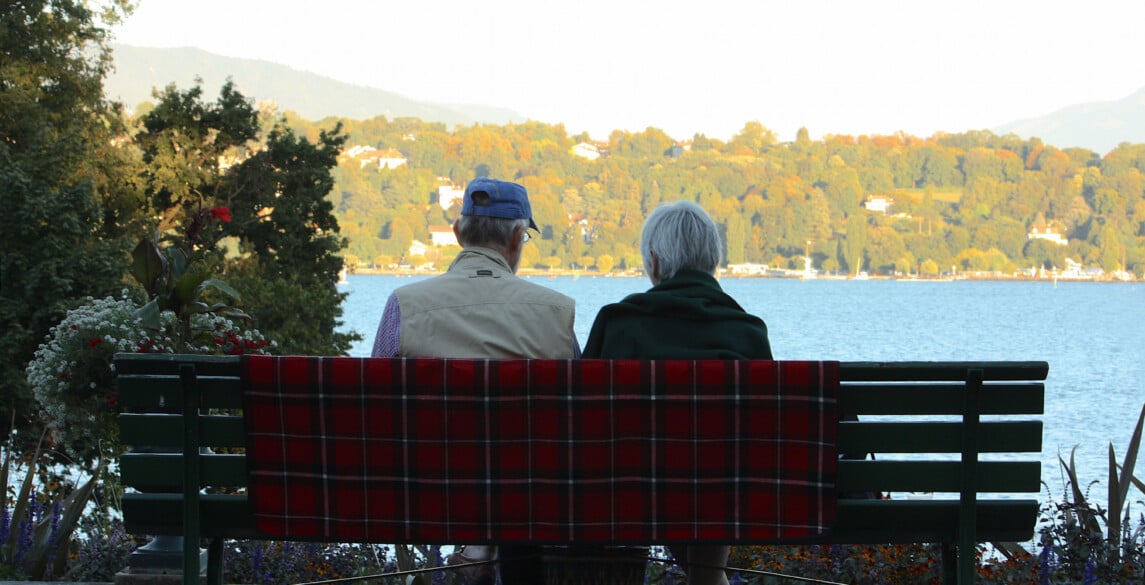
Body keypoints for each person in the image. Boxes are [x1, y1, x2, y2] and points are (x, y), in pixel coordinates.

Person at [372, 177, 579, 585]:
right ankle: (489, 542)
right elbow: (576, 415)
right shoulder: (558, 312)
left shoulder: (404, 305)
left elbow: (373, 404)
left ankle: (477, 544)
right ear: (519, 237)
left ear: (457, 233)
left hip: (425, 494)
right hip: (530, 500)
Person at [582, 200, 773, 585]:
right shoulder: (748, 332)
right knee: (714, 466)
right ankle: (709, 576)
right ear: (713, 261)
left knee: (660, 466)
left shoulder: (617, 324)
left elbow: (584, 425)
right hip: (722, 496)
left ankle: (708, 576)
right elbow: (763, 434)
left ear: (653, 261)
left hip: (629, 494)